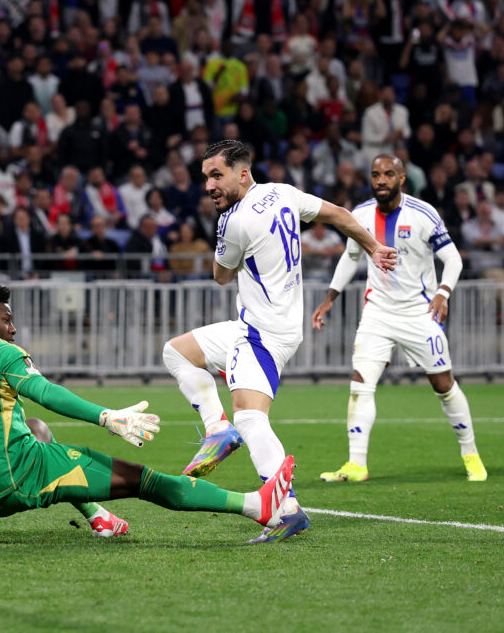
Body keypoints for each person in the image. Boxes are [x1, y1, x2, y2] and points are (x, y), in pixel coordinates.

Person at [0, 281, 294, 543]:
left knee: (37, 429)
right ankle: (258, 506)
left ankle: (98, 517)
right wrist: (107, 416)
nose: (14, 326)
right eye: (6, 318)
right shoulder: (0, 353)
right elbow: (46, 391)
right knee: (147, 481)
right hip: (18, 476)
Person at [161, 140, 397, 543]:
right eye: (206, 178)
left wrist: (223, 240)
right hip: (259, 325)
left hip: (263, 332)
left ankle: (285, 509)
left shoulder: (232, 222)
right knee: (177, 351)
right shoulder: (283, 192)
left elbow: (220, 276)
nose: (209, 186)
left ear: (242, 173)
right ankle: (217, 430)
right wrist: (374, 247)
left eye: (217, 175)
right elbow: (339, 214)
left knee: (251, 418)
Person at [311, 155, 487, 483]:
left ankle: (471, 453)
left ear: (401, 178)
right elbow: (350, 259)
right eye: (375, 174)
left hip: (420, 312)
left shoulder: (423, 214)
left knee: (444, 386)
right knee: (360, 385)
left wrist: (443, 293)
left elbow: (452, 259)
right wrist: (329, 299)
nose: (381, 180)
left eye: (388, 174)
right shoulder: (360, 215)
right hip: (377, 311)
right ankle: (357, 464)